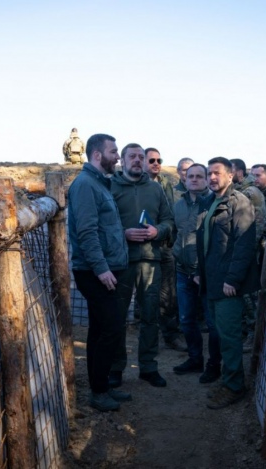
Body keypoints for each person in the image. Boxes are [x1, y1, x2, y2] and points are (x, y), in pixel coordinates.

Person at [68, 133, 132, 411]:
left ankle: (101, 385)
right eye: (113, 152)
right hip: (95, 272)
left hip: (103, 269)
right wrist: (102, 269)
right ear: (97, 154)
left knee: (99, 329)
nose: (117, 157)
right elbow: (87, 232)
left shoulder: (99, 183)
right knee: (111, 329)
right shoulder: (85, 185)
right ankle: (99, 392)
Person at [108, 143, 174, 388]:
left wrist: (158, 231)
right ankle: (116, 368)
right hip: (121, 261)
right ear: (122, 161)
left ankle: (148, 367)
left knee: (150, 316)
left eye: (140, 157)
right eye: (132, 156)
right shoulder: (110, 186)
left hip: (149, 260)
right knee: (117, 317)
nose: (137, 160)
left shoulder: (155, 189)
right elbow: (102, 223)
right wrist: (123, 233)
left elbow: (168, 220)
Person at [196, 156, 259, 409]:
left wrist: (233, 279)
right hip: (212, 281)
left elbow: (244, 244)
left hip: (227, 285)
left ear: (230, 176)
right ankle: (229, 379)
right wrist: (200, 272)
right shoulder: (210, 202)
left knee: (230, 337)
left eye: (217, 173)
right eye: (209, 173)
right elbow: (206, 243)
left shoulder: (239, 202)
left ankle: (235, 387)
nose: (212, 178)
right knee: (222, 335)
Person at [172, 164, 223, 384]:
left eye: (199, 176)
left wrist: (200, 270)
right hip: (182, 272)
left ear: (206, 179)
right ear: (184, 179)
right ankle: (195, 359)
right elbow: (178, 233)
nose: (194, 179)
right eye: (190, 176)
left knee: (212, 323)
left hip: (205, 275)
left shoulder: (214, 204)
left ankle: (214, 365)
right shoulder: (179, 205)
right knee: (186, 319)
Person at [144, 147, 187, 352]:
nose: (156, 163)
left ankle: (170, 335)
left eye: (159, 160)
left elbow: (169, 213)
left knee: (169, 293)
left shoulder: (165, 184)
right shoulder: (136, 185)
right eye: (151, 160)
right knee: (145, 293)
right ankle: (147, 336)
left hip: (165, 244)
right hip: (143, 246)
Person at [230, 158, 266, 353]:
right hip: (246, 251)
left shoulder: (249, 193)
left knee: (249, 295)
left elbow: (257, 224)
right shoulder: (244, 190)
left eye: (231, 171)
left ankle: (253, 335)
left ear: (239, 172)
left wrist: (246, 252)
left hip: (249, 252)